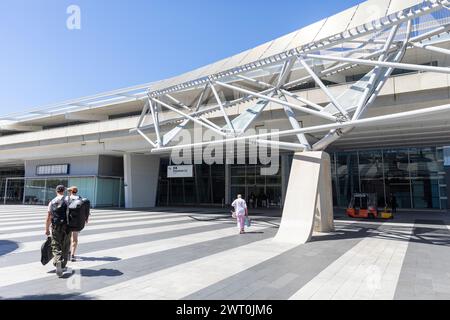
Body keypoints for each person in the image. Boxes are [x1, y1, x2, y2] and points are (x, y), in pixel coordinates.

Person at [45, 185, 71, 278]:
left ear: (56, 191)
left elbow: (49, 217)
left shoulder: (52, 202)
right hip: (67, 227)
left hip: (56, 227)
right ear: (63, 191)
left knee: (55, 245)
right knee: (66, 245)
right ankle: (63, 265)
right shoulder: (68, 200)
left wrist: (47, 229)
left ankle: (58, 260)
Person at [67, 186, 88, 262]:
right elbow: (84, 210)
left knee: (67, 238)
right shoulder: (80, 199)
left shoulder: (67, 198)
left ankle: (67, 253)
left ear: (70, 191)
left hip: (68, 221)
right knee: (75, 239)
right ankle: (72, 255)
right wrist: (85, 219)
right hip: (76, 221)